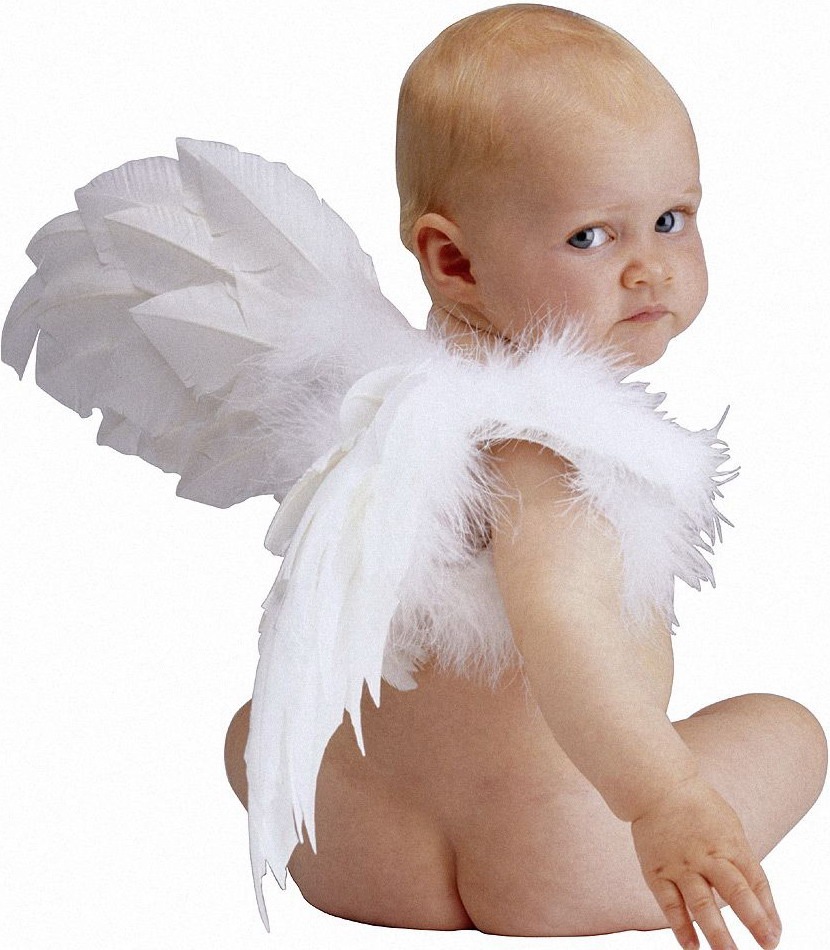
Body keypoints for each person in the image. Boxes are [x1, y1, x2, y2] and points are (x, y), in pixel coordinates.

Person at [223, 7, 827, 949]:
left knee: (249, 727)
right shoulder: (547, 446)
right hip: (560, 860)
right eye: (591, 237)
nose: (650, 268)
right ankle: (628, 797)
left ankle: (406, 822)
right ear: (454, 261)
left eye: (672, 220)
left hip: (357, 854)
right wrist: (664, 799)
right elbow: (562, 621)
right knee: (790, 728)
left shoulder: (387, 412)